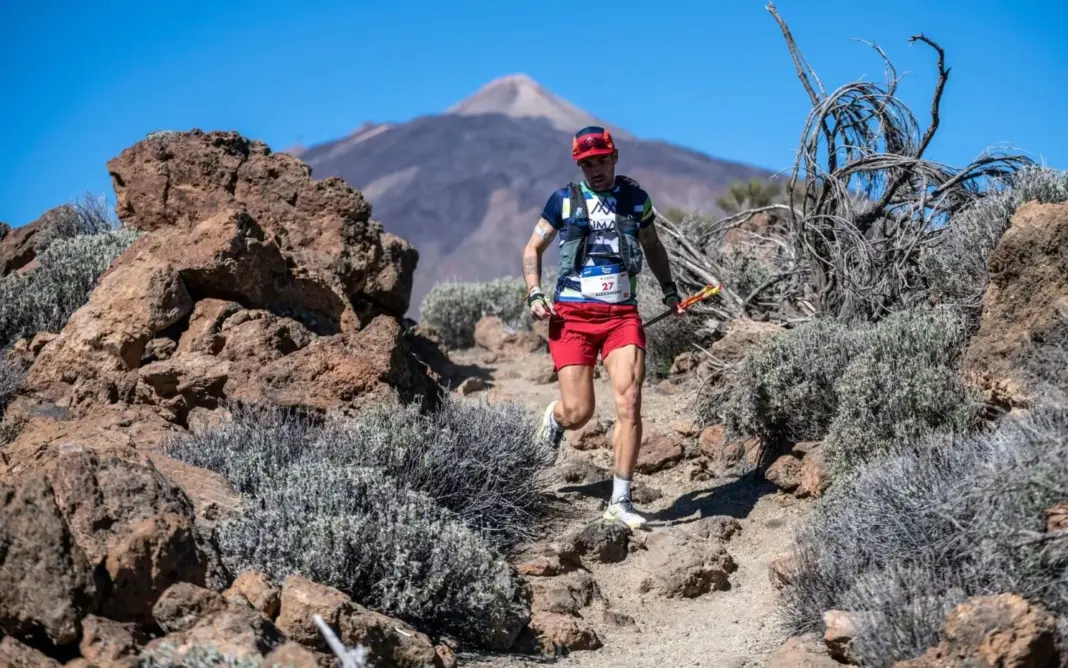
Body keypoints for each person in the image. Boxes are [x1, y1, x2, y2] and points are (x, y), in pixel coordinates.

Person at [521, 125, 682, 530]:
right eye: (587, 164)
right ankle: (556, 420)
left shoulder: (635, 200)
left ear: (615, 158)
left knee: (629, 401)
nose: (595, 170)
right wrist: (535, 293)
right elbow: (532, 248)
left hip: (620, 318)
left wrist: (669, 291)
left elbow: (653, 245)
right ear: (579, 165)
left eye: (602, 161)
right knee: (580, 411)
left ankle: (621, 501)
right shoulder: (562, 201)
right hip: (571, 319)